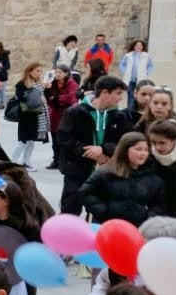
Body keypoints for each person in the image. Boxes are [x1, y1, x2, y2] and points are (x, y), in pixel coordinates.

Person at [56, 75, 134, 215]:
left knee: (102, 211)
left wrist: (103, 150)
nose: (120, 98)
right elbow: (64, 139)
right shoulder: (75, 112)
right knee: (71, 209)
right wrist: (88, 152)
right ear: (104, 93)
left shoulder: (119, 116)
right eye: (118, 94)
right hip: (76, 171)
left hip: (106, 171)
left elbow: (124, 141)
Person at [80, 131, 166, 227]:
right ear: (125, 150)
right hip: (108, 227)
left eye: (146, 150)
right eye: (138, 149)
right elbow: (85, 192)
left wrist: (148, 219)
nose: (143, 153)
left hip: (138, 229)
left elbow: (158, 205)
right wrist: (102, 211)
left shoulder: (153, 177)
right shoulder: (105, 173)